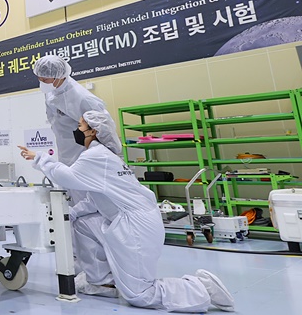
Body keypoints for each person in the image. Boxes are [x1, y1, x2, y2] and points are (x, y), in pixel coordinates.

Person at [18, 111, 235, 313]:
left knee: (140, 295)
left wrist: (39, 158)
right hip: (128, 218)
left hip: (136, 225)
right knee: (82, 225)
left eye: (80, 125)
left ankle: (202, 287)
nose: (75, 129)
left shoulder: (97, 157)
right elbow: (94, 201)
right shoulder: (103, 156)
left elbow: (66, 176)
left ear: (93, 131)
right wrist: (69, 215)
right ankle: (102, 281)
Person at [32, 55, 120, 166]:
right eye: (39, 79)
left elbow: (104, 128)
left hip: (84, 153)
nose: (42, 83)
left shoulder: (82, 98)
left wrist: (112, 156)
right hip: (64, 149)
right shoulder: (51, 92)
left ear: (59, 76)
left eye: (45, 80)